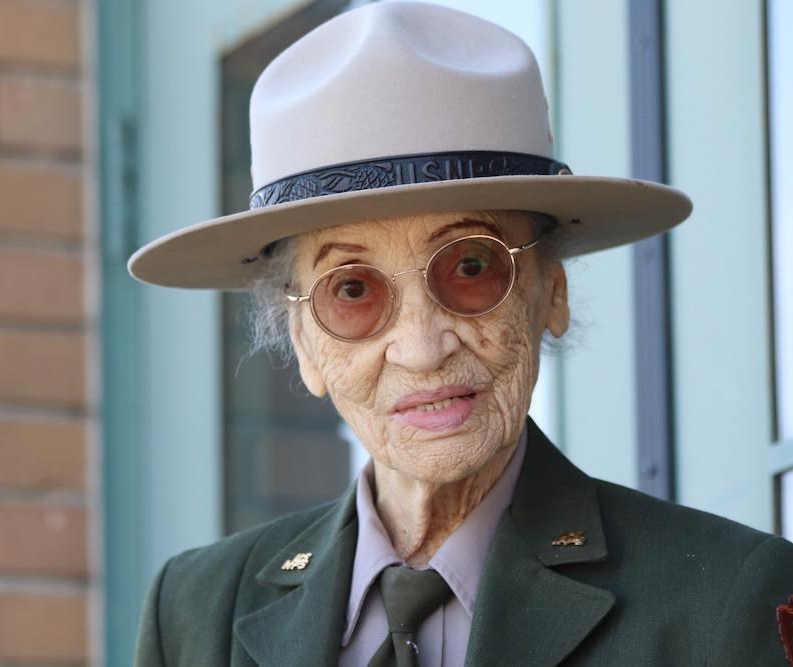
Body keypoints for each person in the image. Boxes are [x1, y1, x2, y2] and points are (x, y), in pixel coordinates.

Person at [128, 2, 793, 665]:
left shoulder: (727, 602)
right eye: (353, 290)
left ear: (550, 291)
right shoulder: (196, 613)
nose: (421, 347)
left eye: (471, 267)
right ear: (304, 342)